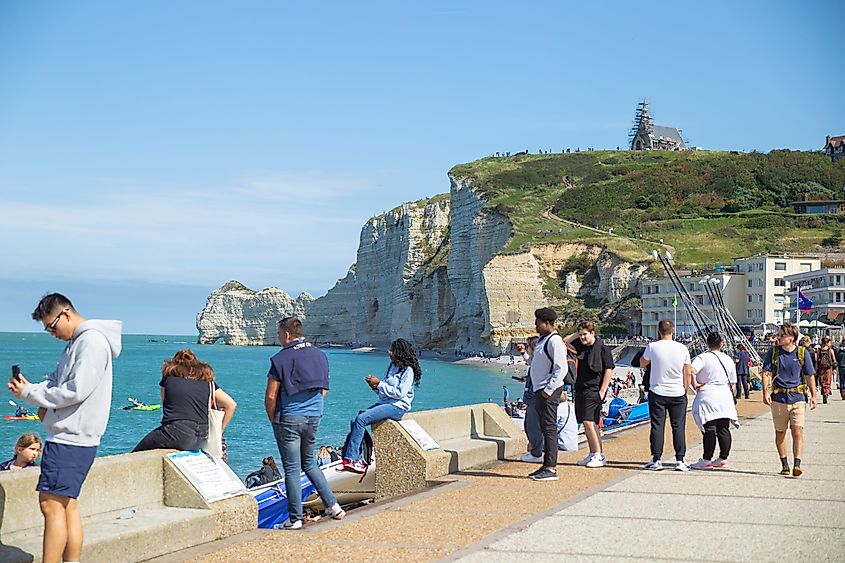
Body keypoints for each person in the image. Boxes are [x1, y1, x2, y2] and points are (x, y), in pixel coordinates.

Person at [7, 293, 121, 563]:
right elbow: (57, 383)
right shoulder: (79, 342)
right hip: (73, 438)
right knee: (67, 505)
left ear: (66, 313)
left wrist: (30, 395)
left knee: (51, 505)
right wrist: (30, 390)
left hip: (71, 439)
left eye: (52, 326)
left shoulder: (90, 342)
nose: (52, 333)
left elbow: (75, 390)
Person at [264, 317, 345, 529]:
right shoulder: (320, 355)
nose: (279, 338)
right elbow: (324, 389)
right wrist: (312, 409)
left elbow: (271, 397)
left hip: (289, 418)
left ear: (287, 334)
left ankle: (295, 519)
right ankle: (333, 506)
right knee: (308, 462)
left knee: (291, 468)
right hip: (314, 416)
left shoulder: (280, 359)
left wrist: (273, 419)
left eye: (280, 334)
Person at [341, 338, 422, 473]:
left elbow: (400, 393)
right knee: (356, 419)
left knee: (362, 419)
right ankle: (356, 457)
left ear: (400, 352)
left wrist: (379, 384)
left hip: (397, 407)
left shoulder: (408, 371)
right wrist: (374, 386)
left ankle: (353, 459)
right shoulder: (391, 366)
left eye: (392, 350)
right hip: (385, 403)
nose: (389, 352)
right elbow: (383, 393)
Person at [132, 350, 237, 453]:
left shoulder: (168, 377)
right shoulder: (207, 382)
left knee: (136, 454)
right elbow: (231, 404)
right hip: (202, 438)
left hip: (176, 432)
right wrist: (219, 432)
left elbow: (165, 404)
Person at [762, 322, 816, 477]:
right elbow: (766, 373)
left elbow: (809, 375)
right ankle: (785, 464)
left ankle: (797, 464)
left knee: (797, 431)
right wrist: (765, 392)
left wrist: (813, 396)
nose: (778, 338)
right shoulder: (773, 353)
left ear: (791, 338)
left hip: (798, 398)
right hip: (779, 398)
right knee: (780, 433)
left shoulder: (802, 352)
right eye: (778, 335)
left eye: (782, 335)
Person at [640, 320, 693, 472]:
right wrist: (685, 389)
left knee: (657, 426)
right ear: (673, 330)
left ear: (659, 331)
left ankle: (656, 459)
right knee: (678, 427)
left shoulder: (653, 346)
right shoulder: (682, 348)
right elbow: (687, 371)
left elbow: (643, 363)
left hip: (658, 391)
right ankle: (680, 460)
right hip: (677, 392)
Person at [563, 321, 614, 468]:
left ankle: (598, 455)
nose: (582, 337)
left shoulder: (603, 348)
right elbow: (564, 342)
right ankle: (595, 453)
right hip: (580, 388)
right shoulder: (580, 345)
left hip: (594, 389)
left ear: (593, 333)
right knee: (589, 423)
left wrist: (602, 391)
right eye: (580, 335)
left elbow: (609, 369)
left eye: (585, 334)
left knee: (588, 421)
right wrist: (577, 334)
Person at [525, 307, 568, 481]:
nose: (535, 326)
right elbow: (537, 363)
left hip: (547, 392)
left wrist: (548, 390)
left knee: (549, 429)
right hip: (541, 390)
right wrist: (523, 354)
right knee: (545, 427)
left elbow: (561, 368)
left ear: (547, 323)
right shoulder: (544, 340)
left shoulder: (554, 341)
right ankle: (545, 464)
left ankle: (551, 468)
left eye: (538, 323)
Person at [689, 333, 739, 470]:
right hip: (724, 395)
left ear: (707, 343)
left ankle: (706, 459)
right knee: (724, 428)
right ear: (721, 344)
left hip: (708, 394)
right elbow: (733, 382)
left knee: (709, 428)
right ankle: (723, 458)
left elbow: (691, 370)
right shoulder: (728, 359)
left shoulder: (703, 358)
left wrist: (695, 384)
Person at [516, 337, 543, 463]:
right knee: (532, 425)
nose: (527, 348)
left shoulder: (540, 362)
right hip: (536, 398)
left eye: (528, 347)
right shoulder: (539, 361)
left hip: (535, 399)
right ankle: (537, 452)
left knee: (532, 426)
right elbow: (531, 361)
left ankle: (536, 453)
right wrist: (523, 353)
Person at [816, 336, 836, 404]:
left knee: (822, 381)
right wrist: (834, 368)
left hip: (821, 368)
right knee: (828, 381)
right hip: (828, 368)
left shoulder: (820, 350)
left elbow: (817, 360)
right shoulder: (830, 350)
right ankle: (826, 393)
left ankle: (824, 393)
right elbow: (834, 360)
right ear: (827, 343)